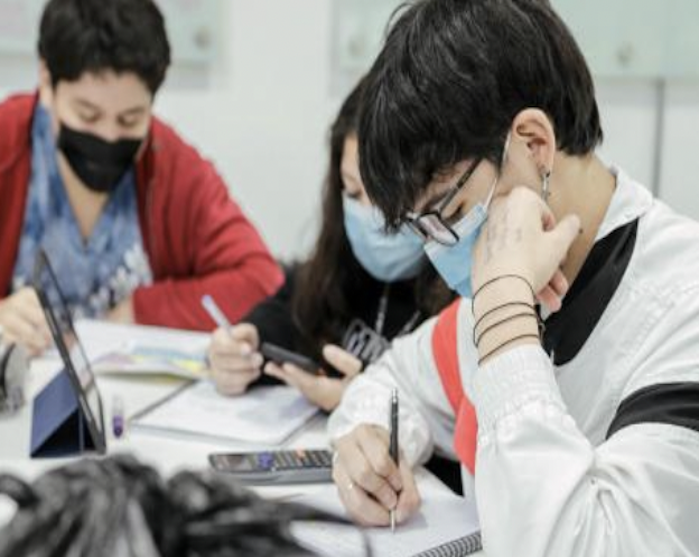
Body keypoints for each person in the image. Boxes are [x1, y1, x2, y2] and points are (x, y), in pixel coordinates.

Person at [327, 1, 699, 556]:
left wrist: (505, 318)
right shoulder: (505, 285)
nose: (439, 253)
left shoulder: (681, 306)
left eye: (450, 213)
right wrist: (370, 444)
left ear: (533, 144)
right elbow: (390, 381)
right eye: (421, 230)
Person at [207, 80, 460, 490]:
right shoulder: (344, 259)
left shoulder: (460, 284)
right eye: (351, 191)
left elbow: (457, 432)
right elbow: (293, 310)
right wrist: (246, 343)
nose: (366, 214)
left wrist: (359, 402)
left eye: (381, 195)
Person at [0, 0, 282, 356]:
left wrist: (141, 310)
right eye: (88, 115)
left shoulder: (168, 163)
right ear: (46, 79)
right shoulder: (8, 145)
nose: (108, 136)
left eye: (130, 119)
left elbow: (260, 279)